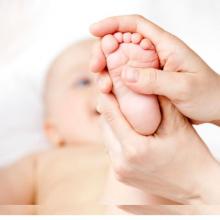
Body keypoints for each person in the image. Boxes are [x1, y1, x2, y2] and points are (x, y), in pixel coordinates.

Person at [90, 15, 220, 214]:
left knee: (133, 190)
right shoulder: (41, 161)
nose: (94, 89)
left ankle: (143, 121)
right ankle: (143, 119)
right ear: (51, 128)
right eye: (81, 82)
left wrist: (198, 184)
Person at [0, 39, 109, 214]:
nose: (106, 86)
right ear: (54, 131)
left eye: (117, 76)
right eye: (83, 82)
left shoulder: (163, 152)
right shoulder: (40, 164)